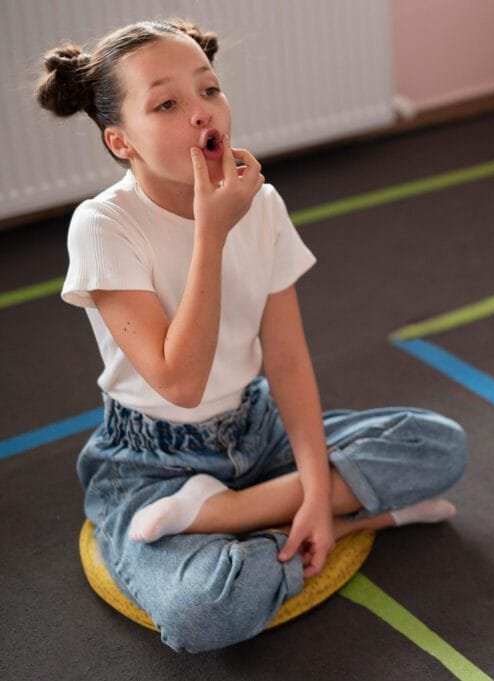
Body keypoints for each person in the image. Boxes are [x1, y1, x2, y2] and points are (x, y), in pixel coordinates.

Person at [36, 20, 467, 653]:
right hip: (152, 462)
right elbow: (181, 383)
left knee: (440, 444)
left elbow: (287, 359)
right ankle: (355, 515)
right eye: (166, 104)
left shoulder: (260, 203)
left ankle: (236, 515)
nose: (200, 112)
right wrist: (211, 232)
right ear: (120, 141)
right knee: (203, 613)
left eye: (208, 89)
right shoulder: (102, 225)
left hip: (255, 427)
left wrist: (315, 492)